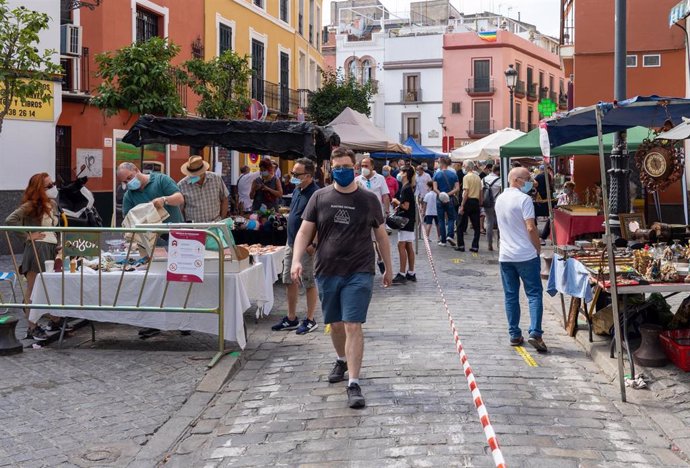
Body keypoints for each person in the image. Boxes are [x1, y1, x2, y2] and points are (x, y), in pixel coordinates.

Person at [291, 147, 393, 409]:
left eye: (347, 167)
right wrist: (296, 261)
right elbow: (304, 232)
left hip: (359, 270)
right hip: (327, 269)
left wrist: (388, 267)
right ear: (331, 169)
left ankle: (354, 383)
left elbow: (381, 235)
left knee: (352, 324)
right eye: (337, 167)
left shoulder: (368, 199)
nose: (342, 171)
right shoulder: (319, 197)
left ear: (355, 168)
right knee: (335, 325)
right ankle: (341, 359)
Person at [5, 173, 63, 341]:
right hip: (37, 248)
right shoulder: (31, 205)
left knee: (48, 284)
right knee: (32, 288)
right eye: (48, 185)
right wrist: (28, 235)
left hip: (50, 247)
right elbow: (10, 220)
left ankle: (55, 320)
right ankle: (32, 327)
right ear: (39, 189)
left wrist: (57, 243)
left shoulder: (52, 204)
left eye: (53, 184)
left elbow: (54, 228)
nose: (53, 188)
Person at [495, 167, 547, 353]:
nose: (531, 182)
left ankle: (514, 334)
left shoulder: (500, 198)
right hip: (525, 254)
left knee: (511, 295)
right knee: (534, 294)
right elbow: (531, 227)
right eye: (527, 178)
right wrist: (537, 248)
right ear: (516, 180)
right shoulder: (524, 199)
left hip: (506, 255)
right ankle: (535, 333)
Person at [272, 158, 320, 335]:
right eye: (292, 173)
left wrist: (314, 243)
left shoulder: (316, 194)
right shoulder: (298, 190)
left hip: (307, 246)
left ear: (308, 175)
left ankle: (310, 319)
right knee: (289, 279)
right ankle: (291, 318)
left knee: (308, 281)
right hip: (291, 242)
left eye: (296, 174)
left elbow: (321, 222)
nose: (291, 176)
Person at [118, 162, 184, 223]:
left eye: (129, 177)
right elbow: (128, 220)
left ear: (136, 170)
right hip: (150, 233)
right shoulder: (129, 196)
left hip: (173, 231)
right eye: (125, 182)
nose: (129, 182)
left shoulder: (161, 179)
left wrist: (164, 200)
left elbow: (179, 198)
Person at [177, 155, 229, 223]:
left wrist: (222, 219)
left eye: (198, 174)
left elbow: (225, 198)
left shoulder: (216, 179)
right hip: (194, 228)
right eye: (193, 174)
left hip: (215, 225)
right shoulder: (182, 185)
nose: (196, 176)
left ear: (204, 170)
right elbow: (180, 210)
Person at [391, 166, 417, 284]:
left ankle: (402, 273)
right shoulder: (408, 187)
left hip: (405, 221)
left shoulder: (406, 188)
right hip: (409, 220)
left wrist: (397, 202)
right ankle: (411, 272)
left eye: (401, 171)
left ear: (405, 174)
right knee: (408, 246)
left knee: (401, 245)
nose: (399, 173)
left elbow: (405, 206)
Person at [432, 157, 460, 246]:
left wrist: (441, 195)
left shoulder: (437, 175)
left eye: (439, 163)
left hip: (439, 199)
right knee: (451, 218)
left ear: (442, 163)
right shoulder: (453, 175)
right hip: (450, 198)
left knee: (441, 219)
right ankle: (450, 235)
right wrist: (448, 194)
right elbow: (457, 188)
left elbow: (434, 188)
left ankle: (443, 240)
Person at [456, 161, 482, 253]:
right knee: (477, 226)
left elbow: (466, 192)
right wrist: (480, 203)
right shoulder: (478, 177)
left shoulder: (466, 177)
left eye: (464, 166)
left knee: (460, 225)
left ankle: (461, 245)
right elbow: (480, 192)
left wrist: (462, 205)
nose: (463, 167)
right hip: (476, 202)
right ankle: (475, 246)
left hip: (467, 201)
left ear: (467, 167)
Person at [483, 165, 502, 251]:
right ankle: (499, 242)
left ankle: (489, 244)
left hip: (487, 203)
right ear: (498, 171)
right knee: (500, 223)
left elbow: (481, 191)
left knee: (489, 223)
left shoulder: (484, 179)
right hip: (498, 203)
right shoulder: (500, 180)